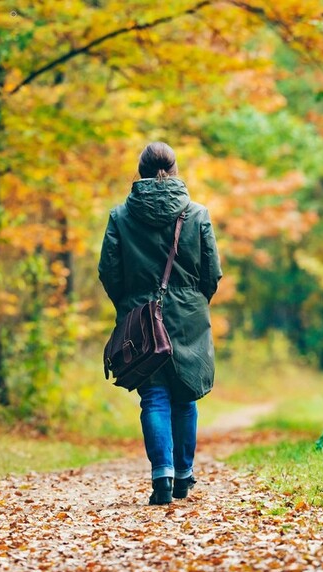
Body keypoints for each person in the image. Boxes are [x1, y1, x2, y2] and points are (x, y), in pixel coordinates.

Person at [99, 142, 222, 505]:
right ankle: (183, 474)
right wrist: (195, 301)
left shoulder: (121, 216)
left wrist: (128, 306)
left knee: (153, 396)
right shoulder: (197, 214)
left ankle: (162, 477)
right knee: (185, 395)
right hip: (189, 316)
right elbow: (211, 272)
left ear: (140, 171)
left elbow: (109, 271)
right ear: (175, 168)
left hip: (139, 315)